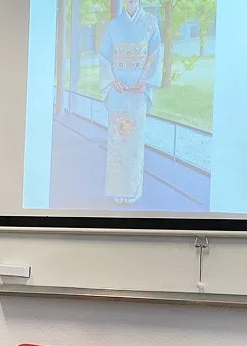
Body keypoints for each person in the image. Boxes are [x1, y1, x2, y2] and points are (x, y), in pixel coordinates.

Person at [99, 0, 162, 205]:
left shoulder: (150, 22)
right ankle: (117, 189)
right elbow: (104, 56)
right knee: (117, 140)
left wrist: (146, 80)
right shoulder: (114, 25)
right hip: (119, 91)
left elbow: (155, 53)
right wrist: (111, 80)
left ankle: (133, 189)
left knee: (134, 140)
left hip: (138, 90)